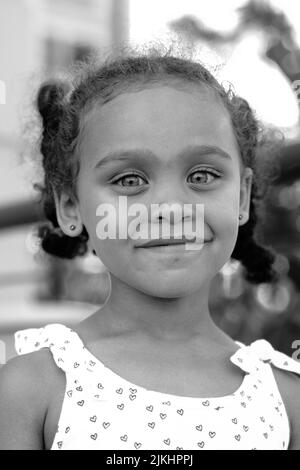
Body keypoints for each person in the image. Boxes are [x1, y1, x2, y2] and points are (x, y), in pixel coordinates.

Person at [0, 43, 300, 450]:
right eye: (128, 181)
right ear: (70, 205)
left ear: (242, 197)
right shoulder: (28, 389)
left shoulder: (286, 399)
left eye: (203, 174)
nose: (171, 208)